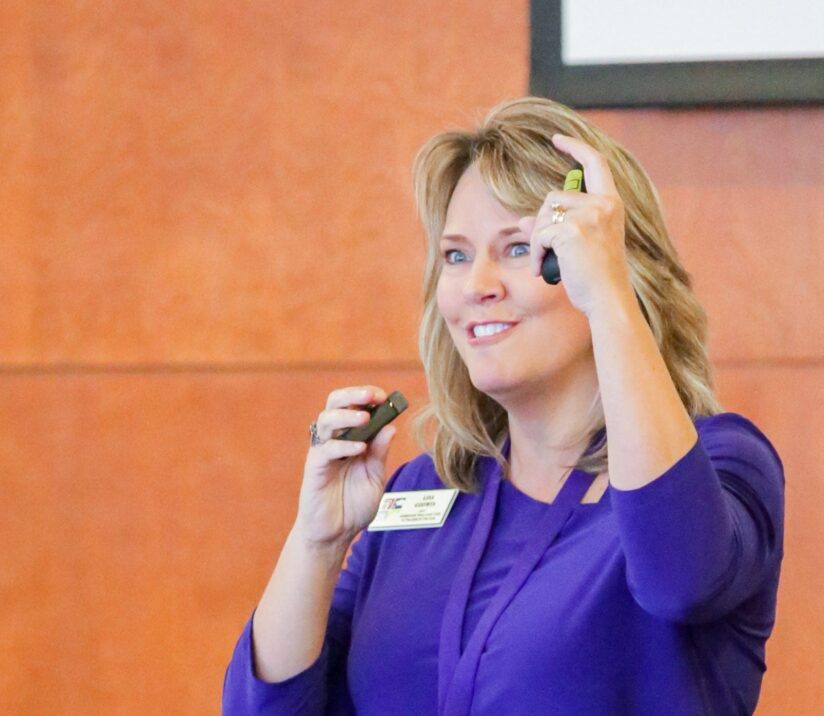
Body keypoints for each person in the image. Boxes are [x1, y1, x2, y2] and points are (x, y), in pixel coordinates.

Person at [223, 97, 785, 715]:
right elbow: (264, 708)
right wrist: (318, 542)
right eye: (457, 255)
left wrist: (608, 298)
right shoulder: (422, 490)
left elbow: (679, 580)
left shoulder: (724, 463)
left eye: (517, 249)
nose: (475, 285)